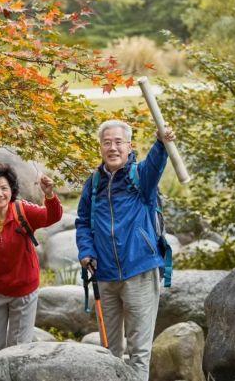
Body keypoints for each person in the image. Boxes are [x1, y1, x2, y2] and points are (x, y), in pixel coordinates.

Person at [75, 119, 176, 381]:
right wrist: (86, 251)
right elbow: (83, 222)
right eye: (107, 142)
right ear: (100, 147)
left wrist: (161, 142)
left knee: (139, 352)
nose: (113, 147)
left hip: (139, 271)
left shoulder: (141, 178)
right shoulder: (94, 183)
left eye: (118, 142)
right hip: (105, 276)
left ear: (129, 146)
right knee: (109, 350)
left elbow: (155, 164)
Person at [0, 163, 63, 354]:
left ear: (11, 190)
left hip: (24, 289)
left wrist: (49, 195)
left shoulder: (22, 211)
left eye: (4, 188)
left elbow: (52, 216)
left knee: (18, 349)